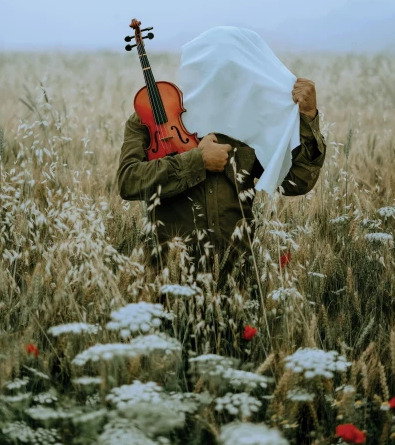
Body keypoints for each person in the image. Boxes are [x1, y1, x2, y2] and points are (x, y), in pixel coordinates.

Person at [116, 27, 326, 284]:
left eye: (234, 73)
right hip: (171, 275)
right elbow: (128, 182)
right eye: (215, 71)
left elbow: (297, 183)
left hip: (236, 275)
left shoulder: (253, 124)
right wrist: (197, 162)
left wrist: (308, 118)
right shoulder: (152, 118)